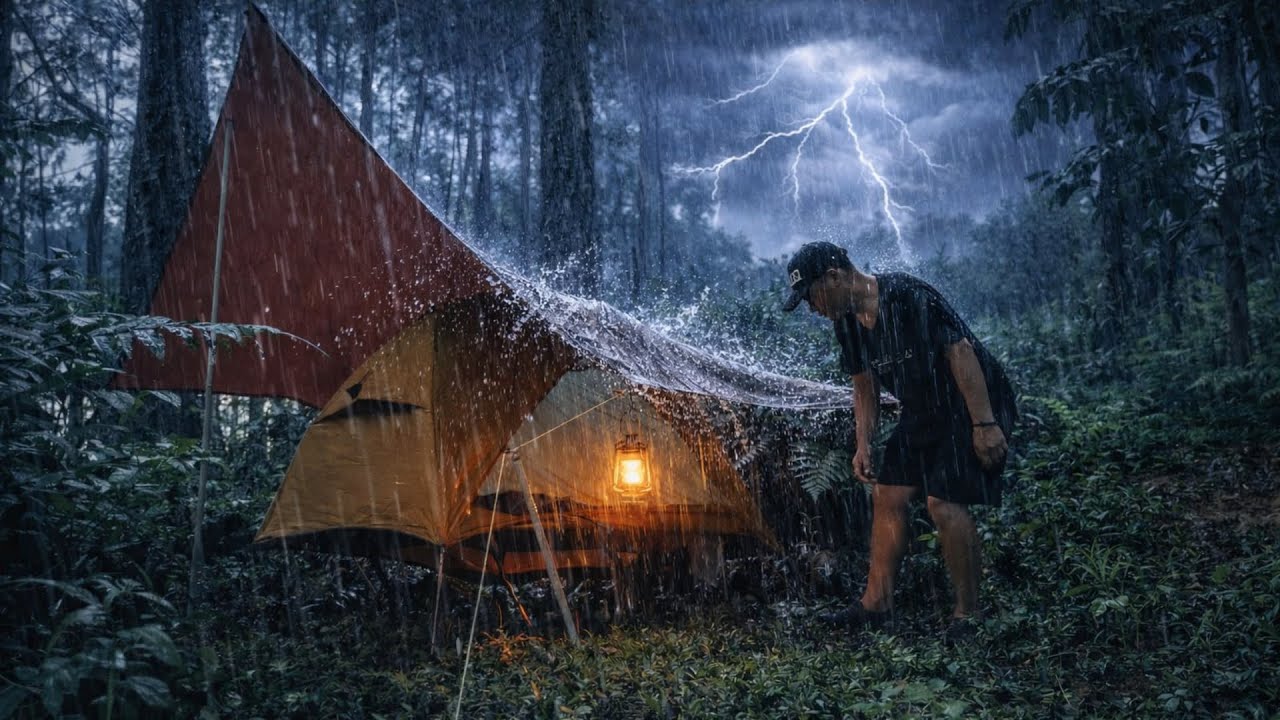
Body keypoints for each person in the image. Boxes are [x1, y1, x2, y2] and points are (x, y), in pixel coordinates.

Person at [783, 241, 1016, 639]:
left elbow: (960, 352)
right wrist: (863, 444)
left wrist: (985, 424)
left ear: (835, 277)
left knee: (943, 501)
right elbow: (864, 386)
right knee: (887, 493)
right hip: (923, 410)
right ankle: (876, 605)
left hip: (971, 401)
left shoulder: (906, 296)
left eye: (811, 296)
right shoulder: (849, 324)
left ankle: (969, 615)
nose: (812, 308)